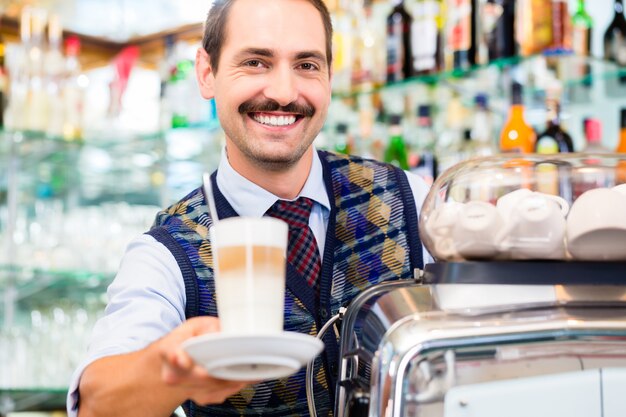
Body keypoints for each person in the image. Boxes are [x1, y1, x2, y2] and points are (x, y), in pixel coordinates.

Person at [68, 0, 431, 416]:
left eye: (307, 65)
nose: (283, 92)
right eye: (256, 62)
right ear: (207, 73)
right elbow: (98, 402)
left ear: (330, 75)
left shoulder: (408, 198)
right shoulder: (169, 252)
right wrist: (171, 368)